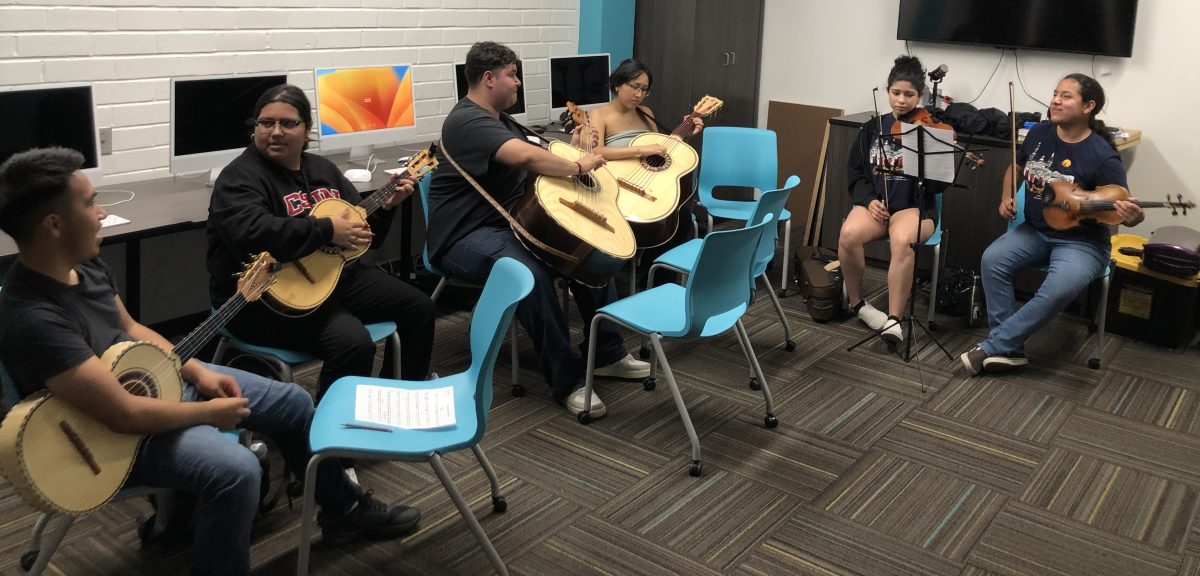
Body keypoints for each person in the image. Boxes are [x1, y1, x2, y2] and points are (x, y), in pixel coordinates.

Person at [0, 148, 420, 576]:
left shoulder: (83, 266)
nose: (103, 212)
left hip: (147, 381)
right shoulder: (34, 316)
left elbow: (129, 328)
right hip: (106, 438)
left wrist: (194, 368)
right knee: (236, 471)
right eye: (90, 203)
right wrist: (207, 412)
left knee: (294, 402)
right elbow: (123, 414)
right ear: (53, 225)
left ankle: (342, 511)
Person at [427, 41, 650, 418]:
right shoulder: (467, 120)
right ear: (488, 78)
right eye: (512, 75)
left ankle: (607, 352)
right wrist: (582, 167)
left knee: (585, 248)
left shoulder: (502, 120)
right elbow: (527, 156)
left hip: (507, 226)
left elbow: (543, 148)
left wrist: (577, 145)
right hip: (462, 238)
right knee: (528, 273)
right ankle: (568, 381)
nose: (518, 83)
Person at [206, 84, 434, 398]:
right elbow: (254, 236)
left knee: (418, 307)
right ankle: (328, 442)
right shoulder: (238, 178)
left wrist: (386, 208)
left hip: (328, 278)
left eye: (288, 123)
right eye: (265, 123)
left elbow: (364, 238)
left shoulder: (323, 169)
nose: (275, 131)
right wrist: (326, 229)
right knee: (353, 343)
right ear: (254, 128)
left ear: (307, 131)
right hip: (263, 295)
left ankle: (398, 399)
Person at [961, 73, 1143, 374]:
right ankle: (1012, 349)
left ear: (1089, 106)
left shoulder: (1103, 156)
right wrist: (1006, 195)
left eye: (1066, 96)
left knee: (1056, 289)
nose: (1055, 100)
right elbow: (1016, 168)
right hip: (1035, 231)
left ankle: (996, 346)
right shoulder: (1039, 133)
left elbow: (1120, 209)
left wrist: (1135, 216)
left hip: (1083, 242)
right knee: (992, 260)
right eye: (1055, 93)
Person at [839, 55, 945, 345]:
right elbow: (857, 173)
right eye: (895, 93)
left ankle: (894, 319)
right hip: (878, 205)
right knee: (848, 234)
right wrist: (868, 199)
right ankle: (857, 303)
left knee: (902, 240)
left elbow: (937, 187)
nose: (901, 101)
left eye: (909, 95)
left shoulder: (930, 130)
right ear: (887, 91)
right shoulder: (873, 128)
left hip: (914, 208)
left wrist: (928, 148)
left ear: (919, 96)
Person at [587, 58, 704, 288]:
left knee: (682, 220)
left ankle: (657, 280)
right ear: (618, 84)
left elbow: (659, 149)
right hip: (617, 183)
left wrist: (686, 133)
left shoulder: (645, 113)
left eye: (644, 90)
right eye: (634, 86)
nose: (638, 94)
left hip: (646, 181)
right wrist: (639, 149)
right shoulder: (598, 114)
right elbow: (596, 150)